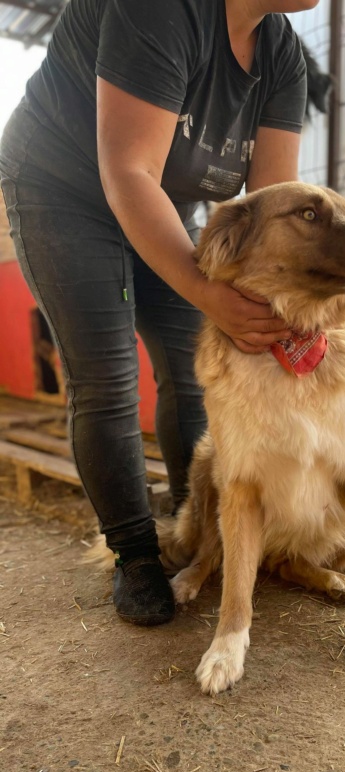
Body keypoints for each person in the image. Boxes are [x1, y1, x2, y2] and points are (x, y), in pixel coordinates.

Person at [0, 0, 320, 626]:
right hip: (63, 191)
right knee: (108, 378)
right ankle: (134, 554)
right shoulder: (162, 8)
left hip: (166, 205)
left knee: (191, 365)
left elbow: (273, 209)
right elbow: (129, 168)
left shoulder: (282, 54)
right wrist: (209, 294)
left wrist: (288, 307)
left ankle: (195, 525)